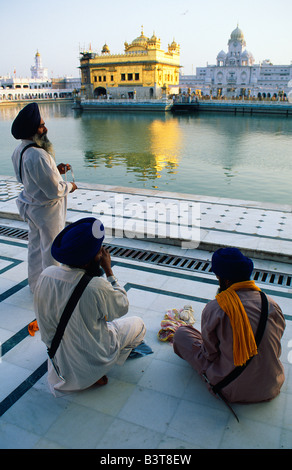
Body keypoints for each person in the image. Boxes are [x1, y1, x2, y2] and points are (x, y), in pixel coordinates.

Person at [34, 217, 146, 396]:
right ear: (88, 260)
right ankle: (97, 372)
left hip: (59, 359)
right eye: (98, 251)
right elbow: (122, 306)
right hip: (93, 362)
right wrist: (109, 271)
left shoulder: (46, 274)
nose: (101, 253)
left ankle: (89, 370)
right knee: (138, 324)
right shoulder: (96, 286)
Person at [173, 247, 286, 403]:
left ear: (225, 281)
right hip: (272, 384)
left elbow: (210, 354)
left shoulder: (216, 308)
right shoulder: (270, 303)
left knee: (182, 334)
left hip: (229, 388)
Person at [11, 102, 77, 293]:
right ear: (33, 130)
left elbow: (27, 177)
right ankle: (51, 291)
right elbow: (54, 190)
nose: (45, 128)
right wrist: (70, 186)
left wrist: (55, 171)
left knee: (34, 248)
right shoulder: (38, 155)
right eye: (41, 125)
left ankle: (36, 285)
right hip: (46, 211)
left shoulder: (20, 150)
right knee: (51, 250)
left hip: (32, 207)